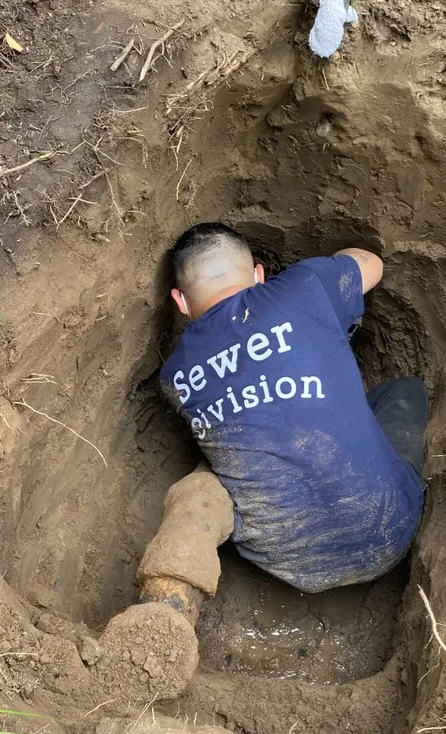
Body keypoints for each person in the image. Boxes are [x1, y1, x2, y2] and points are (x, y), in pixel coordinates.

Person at [159, 223, 428, 594]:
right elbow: (370, 263)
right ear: (258, 275)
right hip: (388, 530)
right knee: (406, 391)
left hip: (284, 564)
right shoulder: (304, 288)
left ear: (180, 301)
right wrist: (317, 280)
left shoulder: (174, 378)